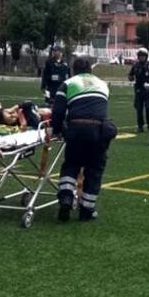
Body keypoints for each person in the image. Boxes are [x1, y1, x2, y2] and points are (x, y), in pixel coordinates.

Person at [52, 57, 117, 222]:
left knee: (71, 165)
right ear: (90, 70)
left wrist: (57, 130)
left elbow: (58, 111)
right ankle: (86, 210)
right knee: (94, 170)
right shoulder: (102, 84)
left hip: (76, 129)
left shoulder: (67, 83)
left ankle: (66, 198)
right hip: (99, 131)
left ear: (74, 70)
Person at [127, 47, 149, 132]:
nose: (141, 57)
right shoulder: (135, 66)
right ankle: (140, 126)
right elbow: (130, 75)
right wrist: (130, 77)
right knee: (139, 109)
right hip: (139, 90)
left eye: (143, 56)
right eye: (140, 56)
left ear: (146, 56)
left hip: (148, 90)